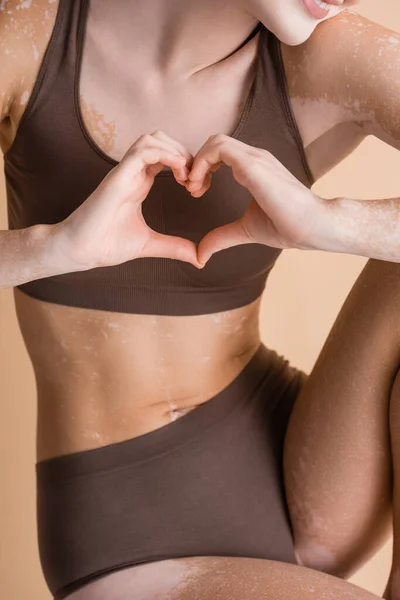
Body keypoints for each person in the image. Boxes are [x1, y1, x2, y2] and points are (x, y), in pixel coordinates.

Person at [1, 0, 399, 598]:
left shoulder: (329, 52)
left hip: (309, 466)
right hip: (128, 525)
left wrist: (331, 224)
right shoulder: (27, 36)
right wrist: (52, 248)